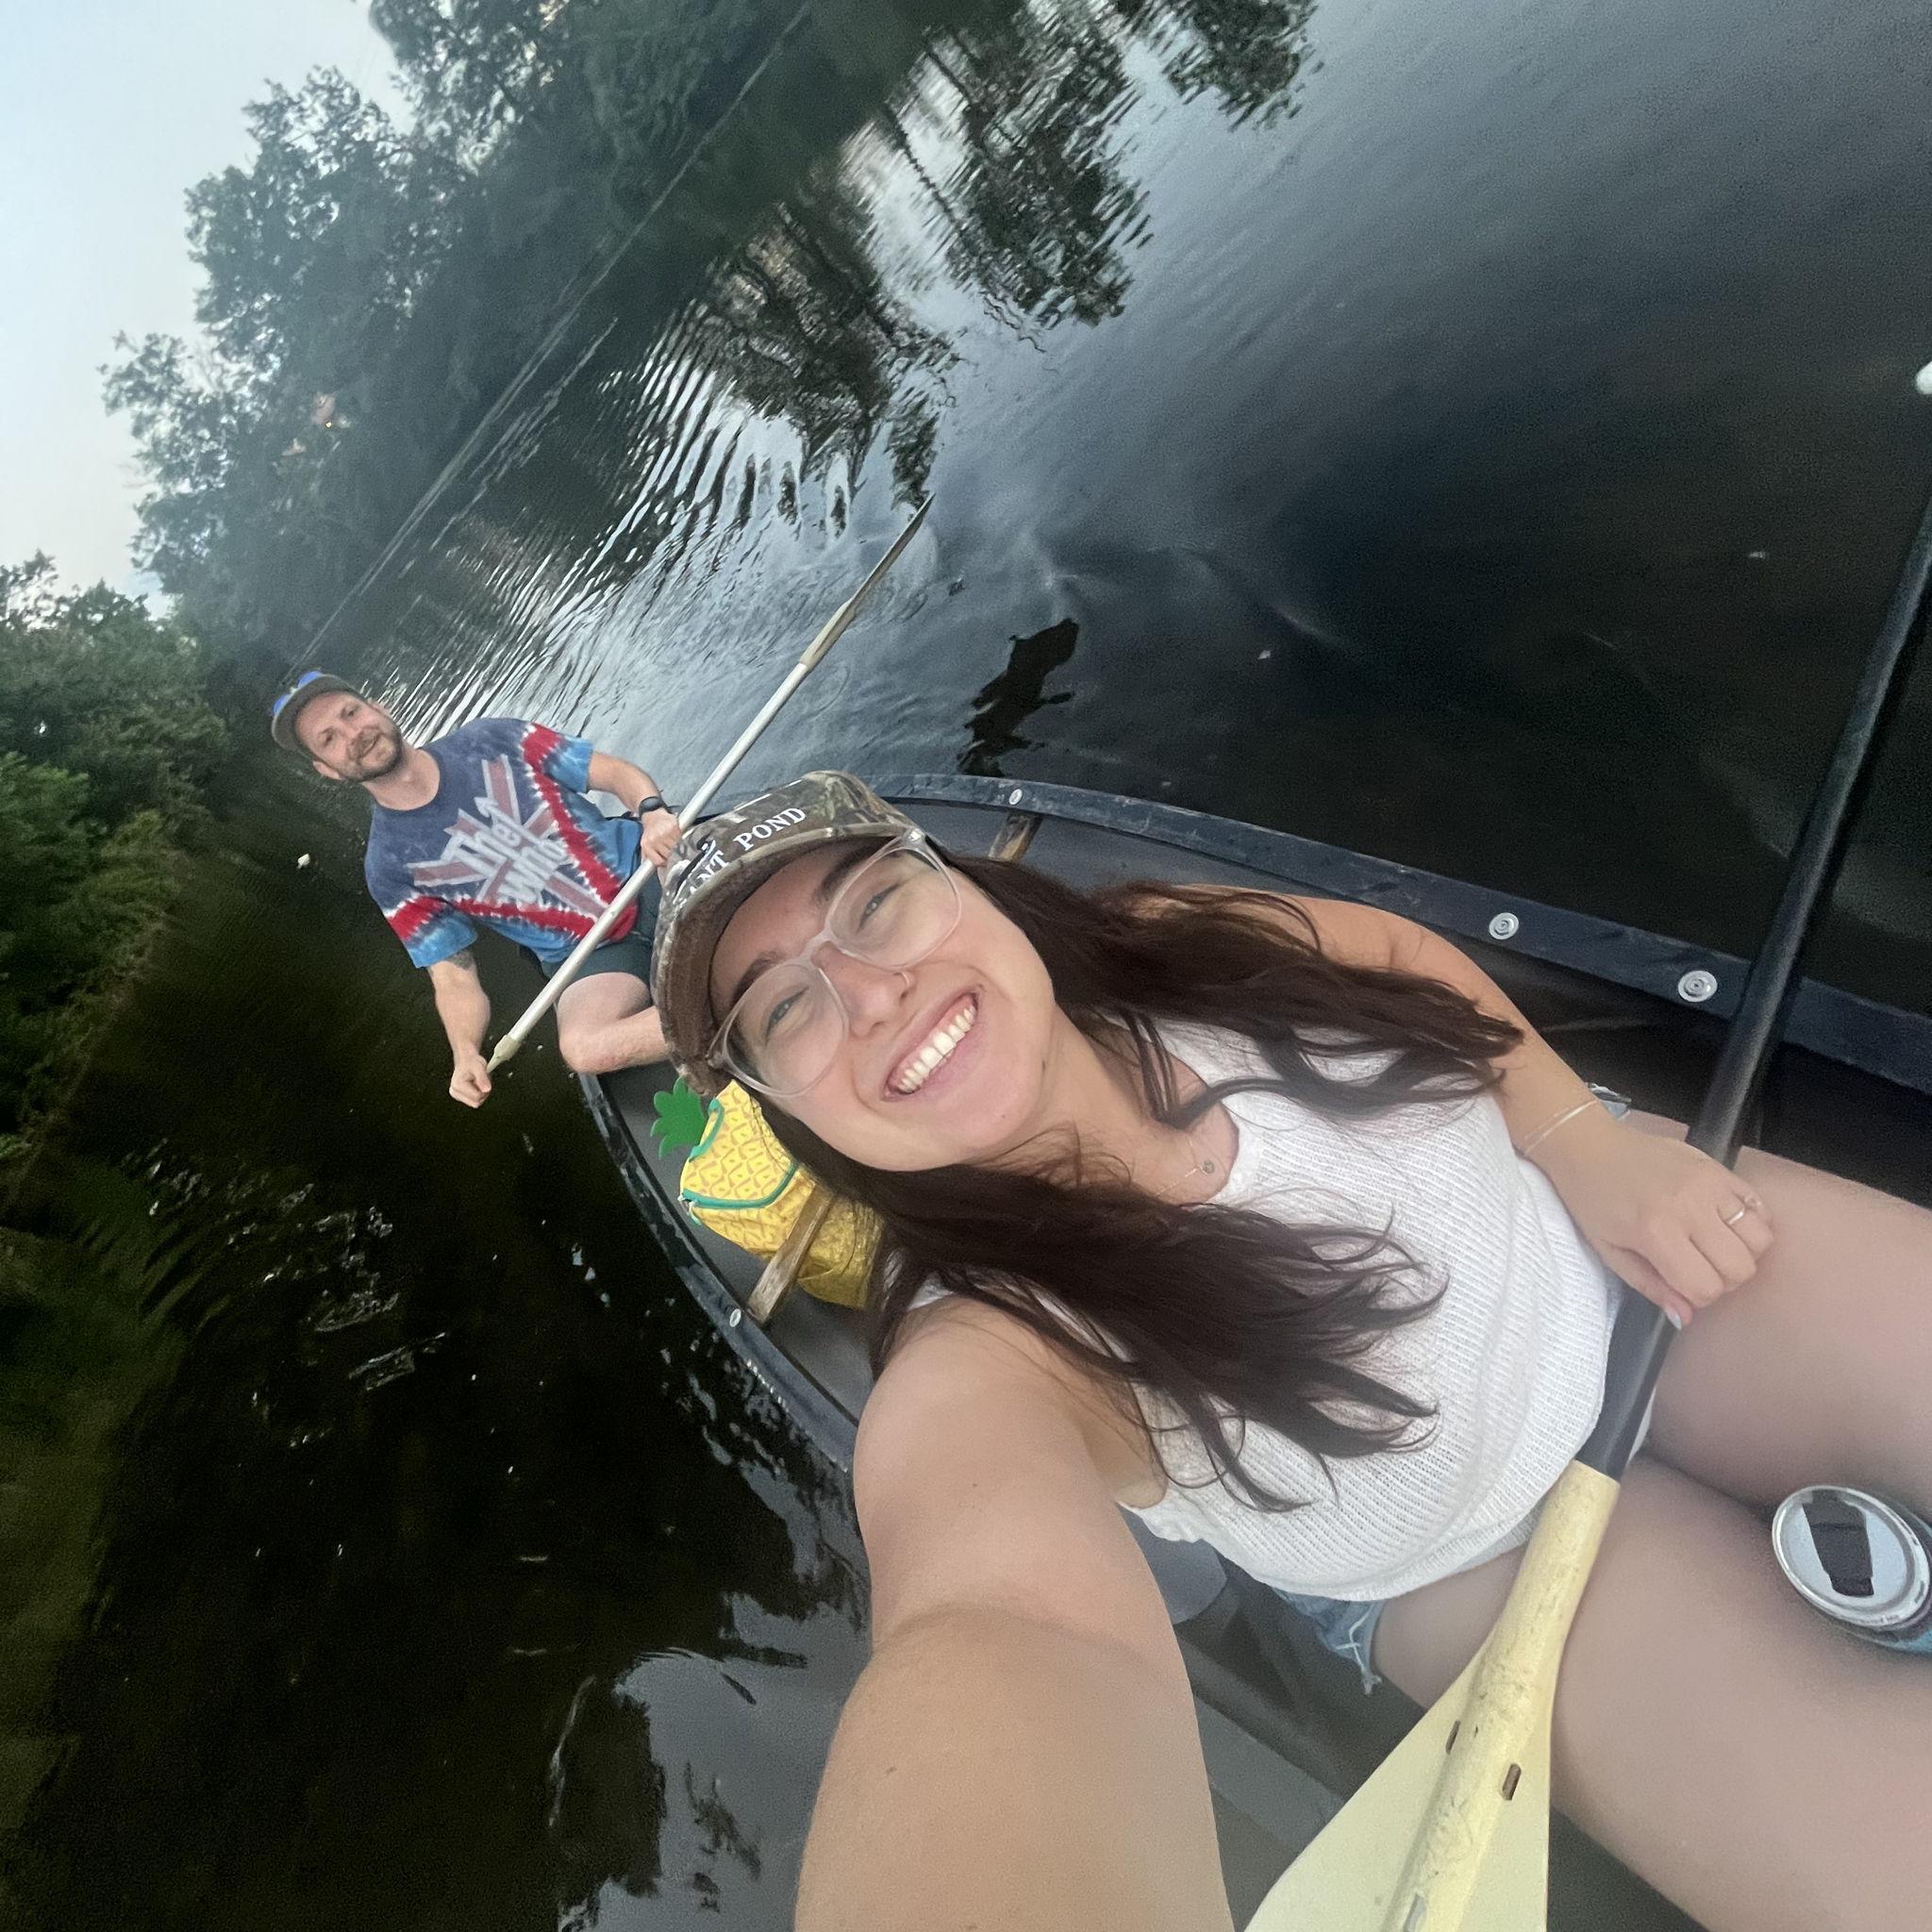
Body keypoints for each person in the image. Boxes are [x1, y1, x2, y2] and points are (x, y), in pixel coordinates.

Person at [647, 771, 1932, 1932]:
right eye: (787, 1010)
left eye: (873, 907)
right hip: (1476, 1563)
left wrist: (1575, 1143)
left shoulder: (1161, 940)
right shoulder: (989, 1357)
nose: (873, 997)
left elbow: (1395, 954)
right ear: (779, 1103)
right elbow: (993, 1625)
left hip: (1609, 1240)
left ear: (960, 884)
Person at [270, 671, 679, 1105]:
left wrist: (652, 813)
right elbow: (453, 976)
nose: (354, 735)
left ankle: (701, 1012)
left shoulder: (493, 738)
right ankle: (721, 1017)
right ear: (327, 770)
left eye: (351, 713)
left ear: (380, 708)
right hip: (591, 956)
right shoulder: (388, 867)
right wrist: (464, 1053)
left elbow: (613, 773)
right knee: (583, 1048)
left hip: (647, 872)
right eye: (329, 739)